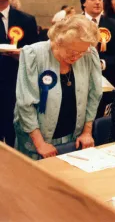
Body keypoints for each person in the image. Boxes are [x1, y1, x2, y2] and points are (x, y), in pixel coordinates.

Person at [14, 15, 102, 159]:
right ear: (58, 41)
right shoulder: (33, 54)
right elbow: (25, 104)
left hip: (74, 138)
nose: (77, 57)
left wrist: (87, 131)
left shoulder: (88, 53)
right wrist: (40, 144)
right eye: (72, 52)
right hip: (37, 142)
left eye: (81, 52)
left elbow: (94, 94)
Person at [0, 0, 38, 147]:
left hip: (17, 89)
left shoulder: (27, 20)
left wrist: (23, 55)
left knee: (14, 140)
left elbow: (36, 54)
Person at [80, 0, 115, 87]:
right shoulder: (74, 23)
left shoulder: (114, 24)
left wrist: (102, 64)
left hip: (105, 78)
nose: (97, 2)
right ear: (83, 3)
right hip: (79, 74)